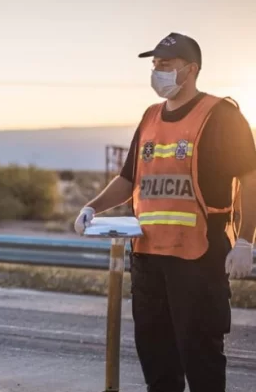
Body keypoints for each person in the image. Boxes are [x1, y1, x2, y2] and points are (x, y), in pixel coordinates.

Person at [73, 32, 256, 392]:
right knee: (157, 360)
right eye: (155, 65)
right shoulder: (150, 118)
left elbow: (251, 180)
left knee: (201, 358)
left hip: (199, 257)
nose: (158, 72)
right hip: (148, 259)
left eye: (166, 65)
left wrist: (246, 240)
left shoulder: (222, 115)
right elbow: (129, 179)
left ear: (191, 70)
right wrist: (92, 207)